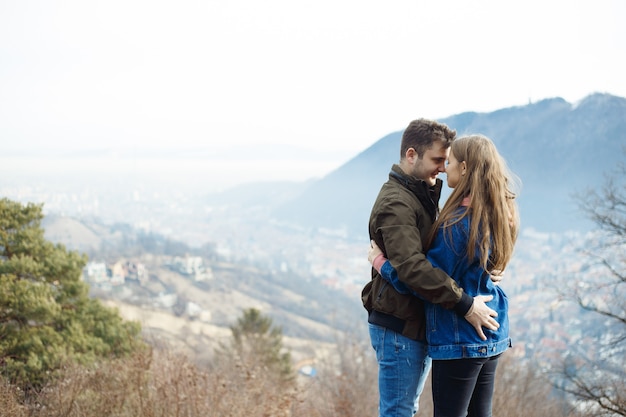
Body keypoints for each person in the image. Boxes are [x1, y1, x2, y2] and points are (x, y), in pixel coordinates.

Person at [369, 134, 520, 417]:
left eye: (449, 162)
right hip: (493, 332)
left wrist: (381, 263)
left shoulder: (457, 224)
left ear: (464, 169)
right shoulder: (498, 213)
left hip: (460, 338)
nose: (443, 169)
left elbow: (420, 281)